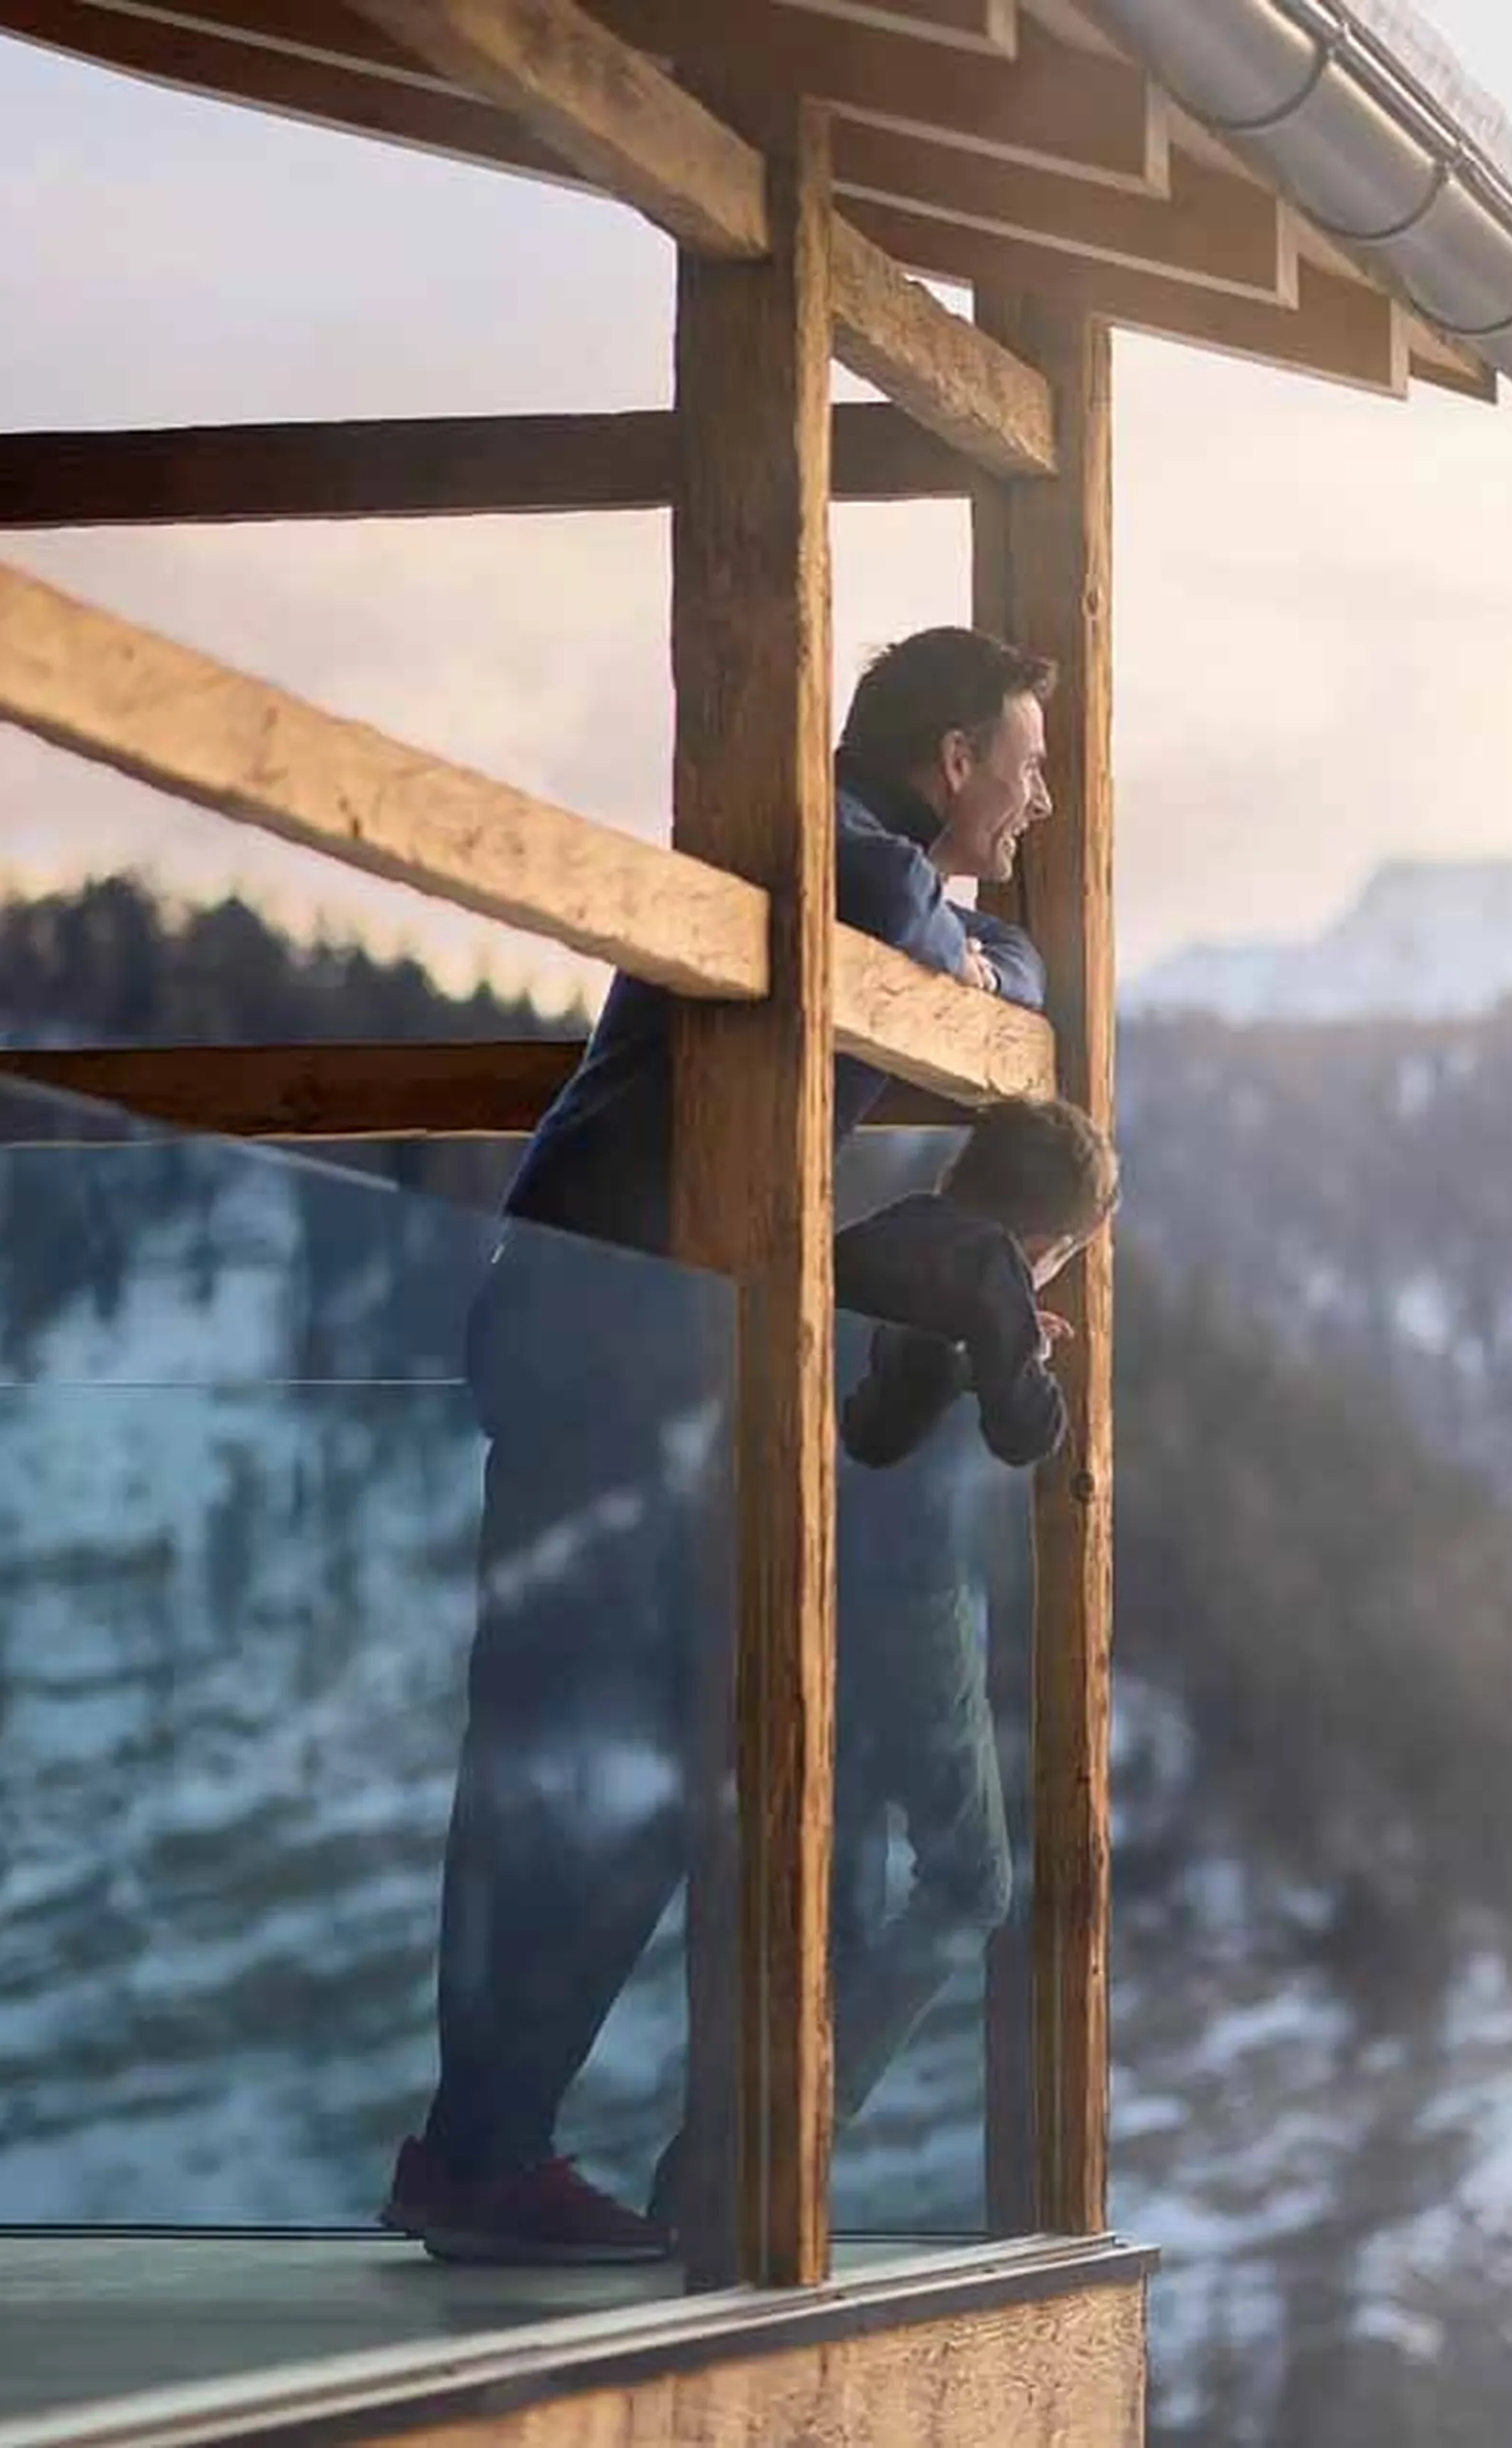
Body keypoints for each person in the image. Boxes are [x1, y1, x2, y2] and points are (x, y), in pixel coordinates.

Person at [384, 629, 1060, 2265]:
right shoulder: (845, 854)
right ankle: (485, 2153)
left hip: (625, 1328)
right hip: (608, 1325)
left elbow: (1020, 976)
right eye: (1026, 762)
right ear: (953, 760)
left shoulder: (866, 865)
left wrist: (976, 964)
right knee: (590, 1752)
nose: (1040, 798)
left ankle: (483, 2147)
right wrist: (965, 961)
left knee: (613, 1751)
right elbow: (951, 949)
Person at [643, 1097, 1119, 2235]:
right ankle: (767, 2151)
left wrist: (990, 1343)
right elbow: (1027, 1433)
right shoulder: (991, 1268)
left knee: (833, 1898)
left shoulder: (876, 1237)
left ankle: (717, 2183)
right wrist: (1022, 1347)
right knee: (969, 1882)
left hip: (799, 1583)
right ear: (1052, 1236)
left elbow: (879, 1404)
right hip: (908, 1597)